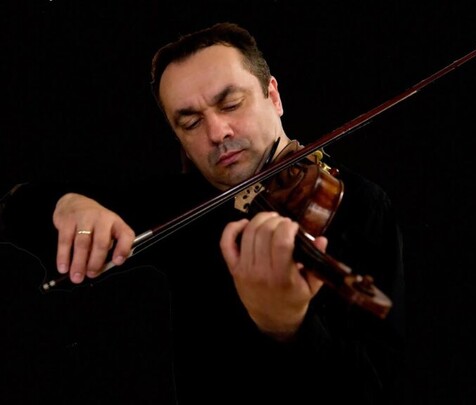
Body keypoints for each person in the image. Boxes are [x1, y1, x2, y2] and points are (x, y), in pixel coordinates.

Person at [1, 22, 405, 404]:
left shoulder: (360, 204)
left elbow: (372, 389)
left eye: (231, 104)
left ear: (273, 96)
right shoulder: (182, 200)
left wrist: (289, 327)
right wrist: (67, 204)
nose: (217, 133)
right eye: (191, 123)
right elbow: (17, 210)